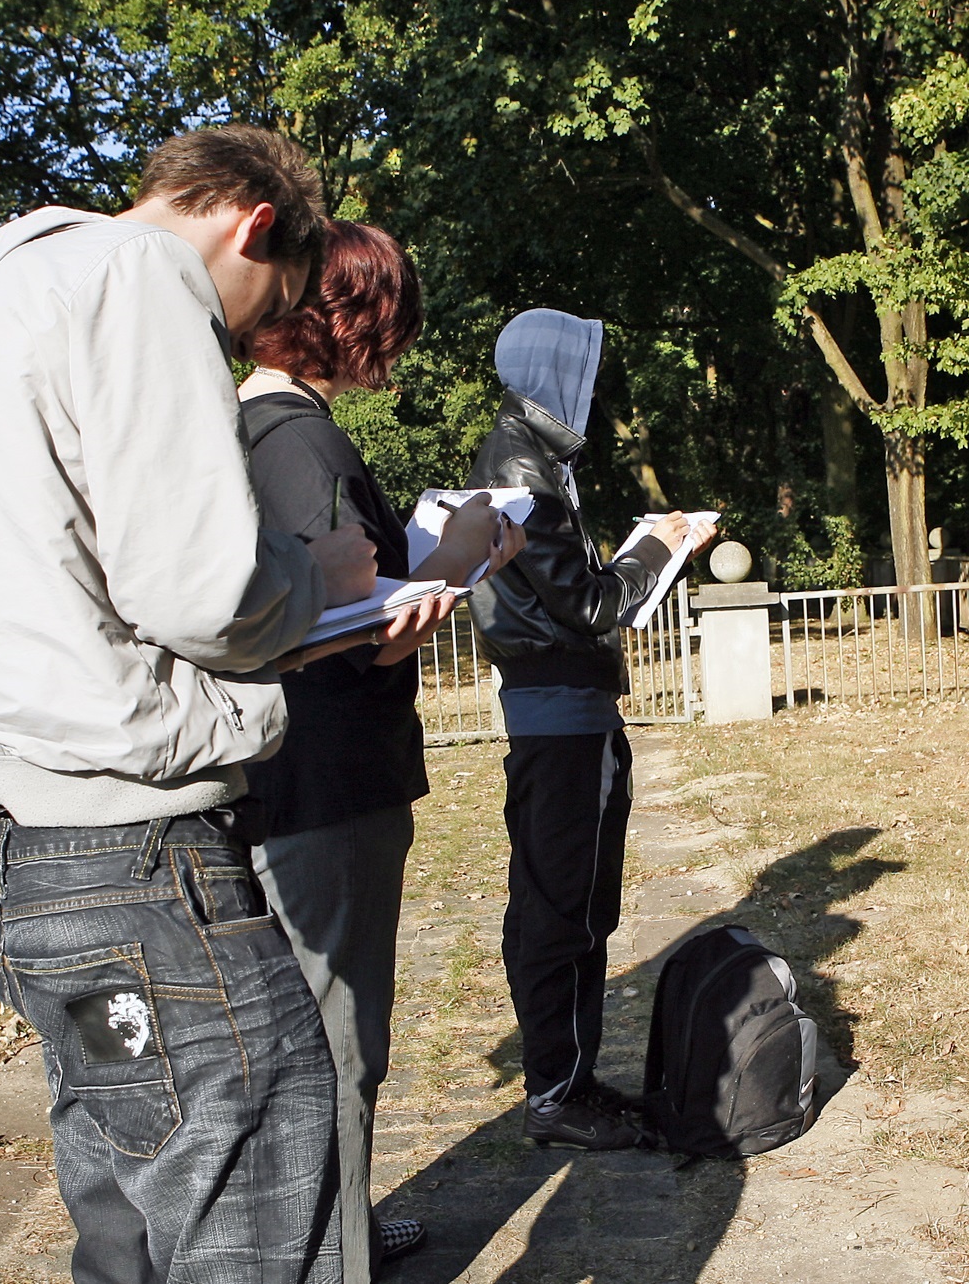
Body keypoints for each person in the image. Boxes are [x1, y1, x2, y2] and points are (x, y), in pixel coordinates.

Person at [0, 127, 379, 1284]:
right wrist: (323, 574)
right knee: (257, 1181)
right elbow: (202, 585)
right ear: (253, 227)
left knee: (128, 1204)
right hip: (148, 867)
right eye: (266, 303)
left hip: (40, 871)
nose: (242, 334)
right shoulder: (139, 282)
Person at [237, 220, 523, 1280]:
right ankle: (335, 1256)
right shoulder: (293, 438)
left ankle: (345, 1224)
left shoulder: (269, 430)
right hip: (325, 788)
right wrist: (451, 558)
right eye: (390, 318)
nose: (397, 344)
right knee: (336, 1039)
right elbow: (332, 629)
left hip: (304, 783)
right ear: (344, 314)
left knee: (322, 1030)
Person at [466, 309, 714, 1150]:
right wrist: (657, 549)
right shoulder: (520, 465)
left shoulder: (533, 457)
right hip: (559, 721)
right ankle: (555, 1095)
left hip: (568, 715)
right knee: (559, 908)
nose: (591, 387)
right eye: (582, 369)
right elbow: (587, 603)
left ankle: (566, 1082)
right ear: (550, 373)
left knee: (572, 905)